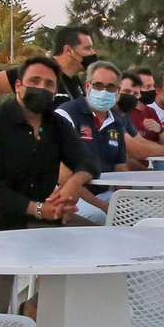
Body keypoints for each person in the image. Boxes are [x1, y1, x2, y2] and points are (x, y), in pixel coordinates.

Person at [0, 55, 96, 231]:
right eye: (34, 81)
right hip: (0, 224)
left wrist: (72, 185)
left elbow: (88, 161)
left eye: (49, 84)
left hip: (48, 218)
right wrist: (38, 209)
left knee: (96, 239)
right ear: (18, 86)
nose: (41, 88)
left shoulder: (57, 124)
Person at [59, 60, 131, 224]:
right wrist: (102, 206)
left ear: (118, 91)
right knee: (99, 217)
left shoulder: (116, 122)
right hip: (70, 192)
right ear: (87, 86)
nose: (104, 91)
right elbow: (63, 176)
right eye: (98, 85)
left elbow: (120, 167)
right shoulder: (66, 115)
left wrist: (124, 199)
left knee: (141, 214)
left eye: (110, 87)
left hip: (105, 193)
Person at [0, 24, 95, 111]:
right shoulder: (40, 71)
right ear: (68, 50)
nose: (93, 53)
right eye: (87, 48)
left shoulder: (74, 81)